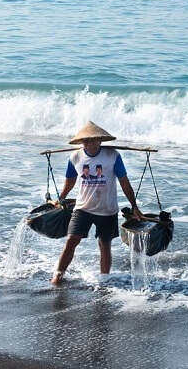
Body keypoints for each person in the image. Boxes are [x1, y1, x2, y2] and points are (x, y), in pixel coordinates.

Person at [51, 121, 143, 284]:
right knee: (72, 240)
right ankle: (58, 274)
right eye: (86, 140)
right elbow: (70, 181)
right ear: (81, 142)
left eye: (93, 140)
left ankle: (104, 279)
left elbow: (124, 181)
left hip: (107, 209)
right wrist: (61, 198)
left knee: (104, 244)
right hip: (82, 208)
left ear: (100, 140)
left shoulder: (112, 156)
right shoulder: (75, 156)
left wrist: (134, 206)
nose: (90, 143)